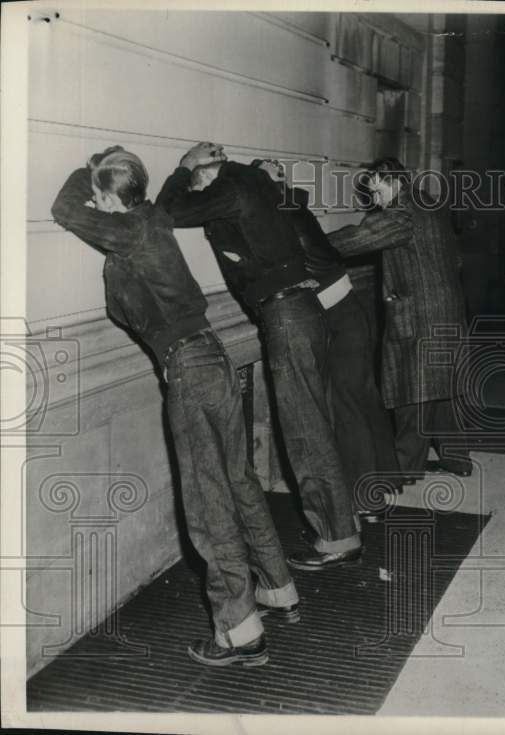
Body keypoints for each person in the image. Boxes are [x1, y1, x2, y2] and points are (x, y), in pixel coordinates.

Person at [51, 146, 298, 667]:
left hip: (188, 367)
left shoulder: (130, 230)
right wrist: (107, 175)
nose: (95, 206)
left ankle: (239, 631)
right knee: (238, 479)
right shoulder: (151, 219)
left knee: (207, 502)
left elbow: (66, 209)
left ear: (112, 198)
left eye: (100, 197)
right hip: (213, 356)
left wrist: (87, 169)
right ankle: (278, 587)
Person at [157, 143, 362, 572]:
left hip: (286, 314)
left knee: (304, 429)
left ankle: (337, 538)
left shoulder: (231, 186)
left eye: (199, 185)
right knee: (313, 422)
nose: (201, 197)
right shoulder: (255, 183)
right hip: (302, 310)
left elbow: (168, 213)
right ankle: (340, 525)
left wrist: (181, 169)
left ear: (208, 175)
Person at [252, 159, 402, 498]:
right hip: (348, 307)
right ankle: (387, 475)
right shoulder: (295, 205)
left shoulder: (279, 213)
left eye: (270, 175)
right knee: (363, 393)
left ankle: (365, 492)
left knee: (346, 401)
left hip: (334, 313)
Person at [325, 157, 473, 482]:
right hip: (447, 309)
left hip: (419, 315)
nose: (375, 200)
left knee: (413, 391)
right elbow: (457, 259)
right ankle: (457, 459)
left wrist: (310, 243)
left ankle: (404, 466)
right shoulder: (430, 203)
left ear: (391, 181)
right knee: (445, 390)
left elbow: (359, 237)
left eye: (376, 191)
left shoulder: (402, 211)